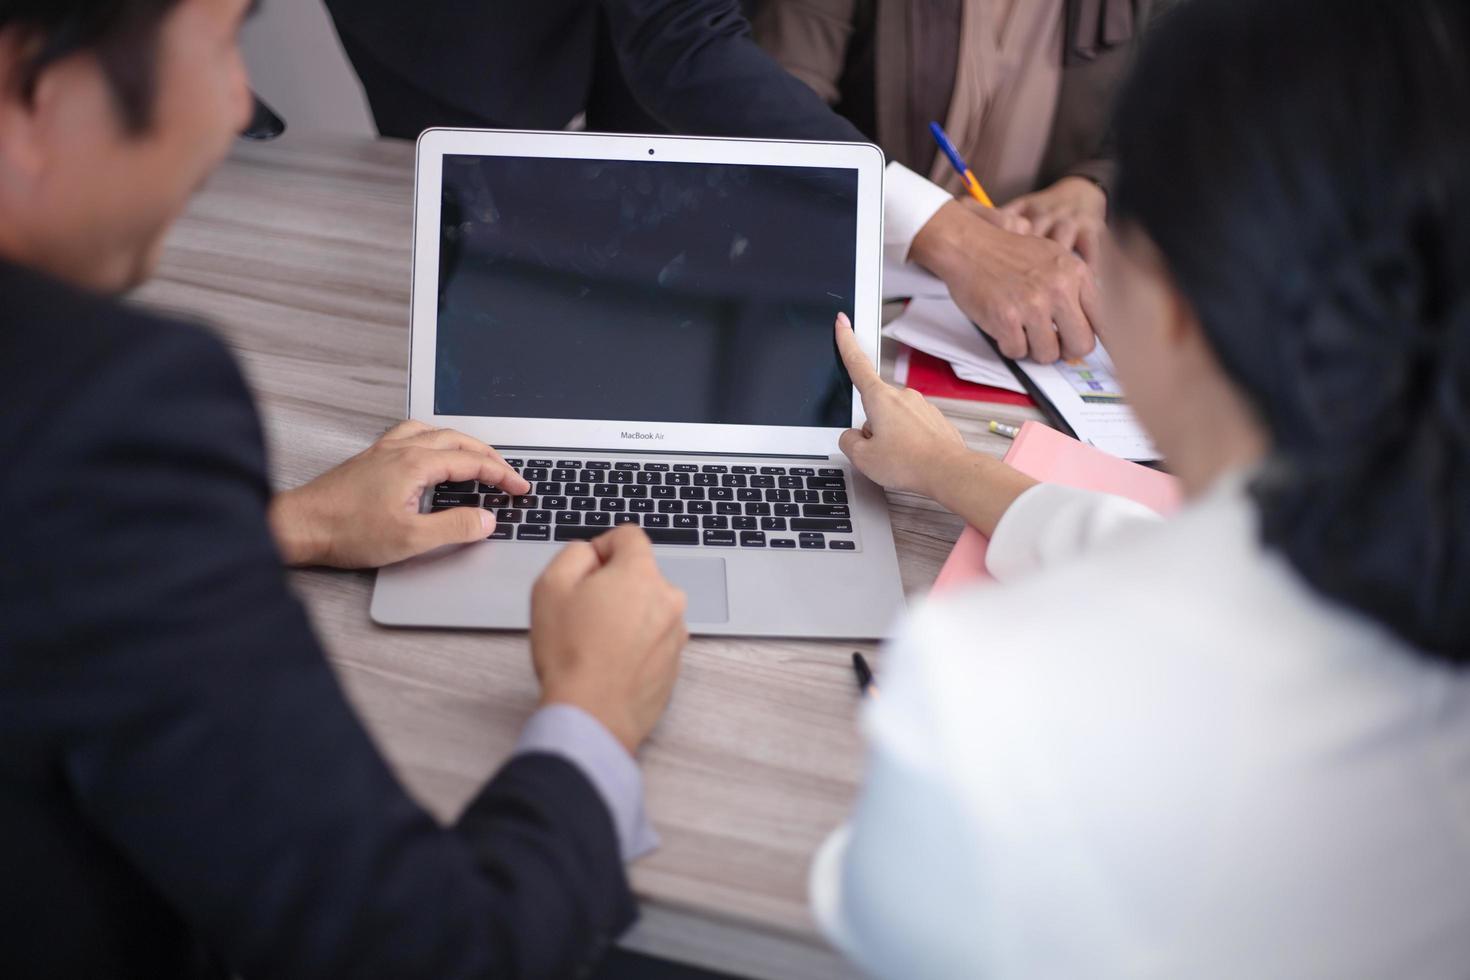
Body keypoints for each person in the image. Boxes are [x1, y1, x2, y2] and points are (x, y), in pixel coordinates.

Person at [0, 1, 689, 977]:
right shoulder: (106, 411)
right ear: (33, 84)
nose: (239, 103)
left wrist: (285, 524)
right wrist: (595, 713)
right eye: (225, 42)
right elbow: (434, 952)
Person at [814, 0, 1470, 974]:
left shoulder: (975, 699)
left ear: (1164, 303)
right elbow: (1183, 560)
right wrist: (950, 468)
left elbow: (852, 903)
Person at [323, 0, 1102, 363]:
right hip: (459, 25)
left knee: (662, 237)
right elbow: (680, 42)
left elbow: (681, 48)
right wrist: (951, 235)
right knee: (463, 266)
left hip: (677, 31)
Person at [751, 0, 1166, 267]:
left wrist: (1094, 185)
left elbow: (1182, 127)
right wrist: (943, 231)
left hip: (1043, 285)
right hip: (866, 269)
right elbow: (772, 120)